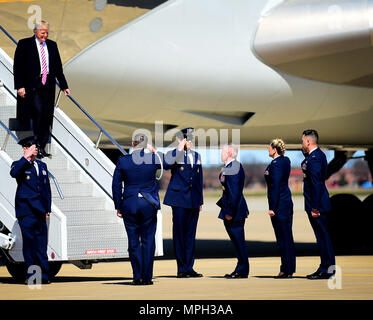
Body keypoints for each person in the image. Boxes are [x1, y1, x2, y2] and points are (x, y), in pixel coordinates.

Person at [112, 133, 186, 285]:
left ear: (132, 144)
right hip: (148, 204)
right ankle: (147, 278)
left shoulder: (123, 161)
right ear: (145, 145)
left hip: (130, 204)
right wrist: (171, 149)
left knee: (133, 242)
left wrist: (118, 206)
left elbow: (116, 185)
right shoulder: (152, 158)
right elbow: (170, 162)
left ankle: (137, 276)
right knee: (148, 241)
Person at [13, 20, 70, 159]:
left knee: (46, 116)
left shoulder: (51, 45)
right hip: (32, 85)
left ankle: (41, 147)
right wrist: (19, 86)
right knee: (36, 113)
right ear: (35, 31)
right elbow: (18, 66)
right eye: (43, 32)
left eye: (47, 33)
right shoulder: (24, 44)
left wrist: (64, 85)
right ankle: (34, 144)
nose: (45, 35)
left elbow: (57, 67)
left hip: (48, 85)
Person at [10, 135, 52, 284]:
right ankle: (33, 277)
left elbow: (46, 188)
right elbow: (14, 173)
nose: (36, 149)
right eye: (32, 146)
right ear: (25, 148)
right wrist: (25, 158)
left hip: (40, 211)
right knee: (30, 245)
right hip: (26, 211)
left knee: (41, 245)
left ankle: (44, 276)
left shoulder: (42, 165)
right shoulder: (19, 164)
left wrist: (48, 209)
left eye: (36, 146)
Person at [163, 127, 204, 278]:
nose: (191, 142)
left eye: (192, 139)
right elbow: (167, 164)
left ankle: (189, 267)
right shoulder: (174, 155)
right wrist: (179, 149)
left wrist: (200, 200)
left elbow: (199, 179)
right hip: (179, 201)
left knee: (190, 235)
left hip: (193, 200)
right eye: (188, 139)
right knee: (179, 235)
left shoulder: (197, 156)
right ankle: (181, 268)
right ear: (181, 140)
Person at [301, 129, 336, 279]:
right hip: (316, 203)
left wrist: (315, 207)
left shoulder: (315, 158)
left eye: (303, 141)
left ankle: (327, 269)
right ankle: (325, 267)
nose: (301, 144)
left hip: (317, 205)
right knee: (321, 237)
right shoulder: (315, 156)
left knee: (323, 237)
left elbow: (316, 183)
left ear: (308, 141)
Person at [264, 139, 296, 278]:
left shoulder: (275, 164)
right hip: (286, 202)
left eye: (269, 148)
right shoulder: (286, 161)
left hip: (279, 205)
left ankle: (285, 270)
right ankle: (289, 268)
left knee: (282, 239)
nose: (268, 150)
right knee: (288, 237)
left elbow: (275, 186)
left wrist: (272, 207)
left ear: (274, 150)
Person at [217, 144, 249, 279]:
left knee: (239, 241)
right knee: (236, 242)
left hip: (234, 211)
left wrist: (229, 211)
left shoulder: (234, 166)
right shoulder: (229, 167)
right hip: (230, 209)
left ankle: (242, 270)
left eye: (222, 151)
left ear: (229, 153)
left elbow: (235, 192)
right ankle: (240, 268)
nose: (220, 154)